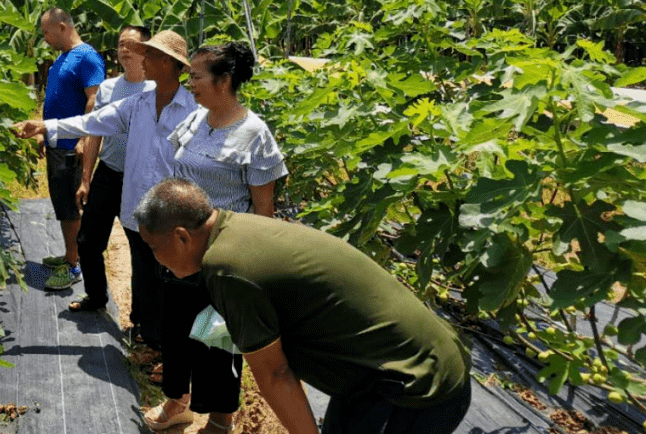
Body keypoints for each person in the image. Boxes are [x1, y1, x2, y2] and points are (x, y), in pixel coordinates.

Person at [135, 178, 473, 434]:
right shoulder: (234, 228)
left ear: (181, 237)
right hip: (370, 375)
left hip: (419, 385)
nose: (156, 259)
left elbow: (275, 374)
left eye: (152, 246)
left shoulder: (228, 270)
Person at [11, 29, 196, 348]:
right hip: (137, 204)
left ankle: (164, 344)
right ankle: (150, 338)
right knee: (144, 270)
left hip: (171, 208)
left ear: (167, 63)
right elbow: (92, 123)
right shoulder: (136, 104)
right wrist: (44, 126)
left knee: (168, 276)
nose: (143, 59)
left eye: (149, 54)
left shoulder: (192, 109)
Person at [145, 42, 288, 433]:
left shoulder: (254, 133)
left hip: (224, 253)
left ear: (224, 81)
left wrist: (257, 267)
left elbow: (263, 208)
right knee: (175, 329)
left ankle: (221, 418)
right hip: (181, 247)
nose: (189, 83)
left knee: (215, 338)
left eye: (196, 76)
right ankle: (178, 402)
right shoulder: (196, 120)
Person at [69, 25, 154, 313]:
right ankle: (96, 297)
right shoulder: (108, 88)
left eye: (131, 44)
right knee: (89, 242)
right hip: (109, 172)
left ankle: (141, 317)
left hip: (143, 181)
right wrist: (86, 179)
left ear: (147, 49)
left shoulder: (157, 89)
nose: (124, 50)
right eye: (120, 44)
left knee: (142, 250)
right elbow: (94, 134)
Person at [37, 8, 105, 290]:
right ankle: (69, 255)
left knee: (70, 208)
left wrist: (82, 139)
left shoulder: (86, 56)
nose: (45, 39)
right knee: (62, 205)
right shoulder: (64, 58)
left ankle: (73, 266)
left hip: (70, 147)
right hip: (56, 141)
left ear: (62, 27)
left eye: (46, 32)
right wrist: (43, 132)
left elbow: (95, 101)